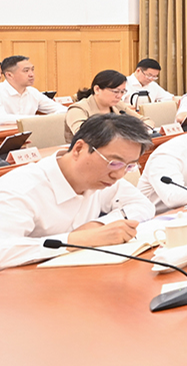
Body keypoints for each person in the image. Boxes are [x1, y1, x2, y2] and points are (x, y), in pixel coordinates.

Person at [0, 113, 155, 269]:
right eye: (114, 163)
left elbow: (143, 205)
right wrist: (79, 239)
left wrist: (98, 225)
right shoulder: (20, 188)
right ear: (79, 149)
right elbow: (3, 249)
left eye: (129, 166)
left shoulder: (103, 180)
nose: (119, 175)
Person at [64, 69, 156, 144]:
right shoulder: (78, 109)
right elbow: (84, 135)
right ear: (97, 89)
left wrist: (143, 129)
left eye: (122, 92)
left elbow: (146, 121)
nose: (119, 96)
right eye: (115, 91)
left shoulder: (118, 105)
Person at [0, 55, 64, 125]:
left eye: (32, 70)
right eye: (26, 71)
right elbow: (2, 118)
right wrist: (39, 119)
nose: (31, 74)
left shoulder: (33, 92)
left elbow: (59, 109)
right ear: (9, 75)